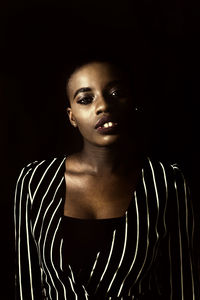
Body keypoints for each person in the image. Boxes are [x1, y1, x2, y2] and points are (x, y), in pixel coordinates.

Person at [14, 52, 199, 299]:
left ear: (131, 102)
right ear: (72, 117)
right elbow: (27, 284)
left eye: (115, 94)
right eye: (86, 99)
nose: (103, 106)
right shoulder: (35, 181)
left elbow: (184, 286)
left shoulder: (167, 183)